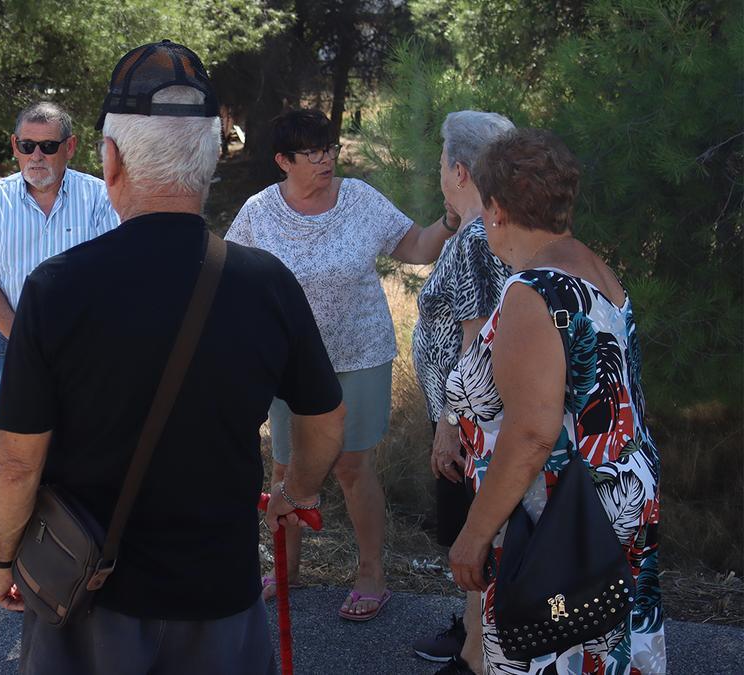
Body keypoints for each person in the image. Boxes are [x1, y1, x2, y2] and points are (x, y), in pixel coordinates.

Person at [0, 40, 346, 674]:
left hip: (89, 594)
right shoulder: (265, 283)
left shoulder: (56, 287)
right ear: (208, 160)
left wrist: (5, 556)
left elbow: (18, 462)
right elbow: (323, 420)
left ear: (111, 160)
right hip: (219, 592)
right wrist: (297, 489)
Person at [225, 108, 458, 621]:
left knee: (353, 468)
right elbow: (232, 279)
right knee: (286, 469)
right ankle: (285, 571)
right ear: (283, 161)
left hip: (360, 356)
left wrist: (449, 222)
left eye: (329, 147)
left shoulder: (359, 200)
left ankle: (371, 573)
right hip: (289, 365)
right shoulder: (259, 211)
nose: (326, 158)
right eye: (312, 152)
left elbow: (414, 247)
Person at [447, 128, 665, 673]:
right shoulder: (598, 272)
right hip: (614, 498)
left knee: (554, 650)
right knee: (606, 645)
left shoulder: (534, 291)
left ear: (495, 209)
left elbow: (532, 431)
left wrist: (473, 534)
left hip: (555, 520)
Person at [409, 110, 514, 674]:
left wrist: (450, 427)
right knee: (477, 536)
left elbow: (479, 345)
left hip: (469, 419)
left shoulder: (476, 238)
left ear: (461, 171)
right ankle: (476, 638)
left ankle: (477, 656)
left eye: (442, 164)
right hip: (467, 414)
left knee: (476, 538)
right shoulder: (487, 229)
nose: (440, 175)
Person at [0, 101, 119, 395]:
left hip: (83, 347)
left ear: (69, 147)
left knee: (82, 437)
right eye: (27, 145)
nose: (36, 156)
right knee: (21, 440)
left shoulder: (100, 198)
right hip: (14, 345)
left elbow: (114, 278)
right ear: (14, 145)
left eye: (48, 146)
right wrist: (25, 339)